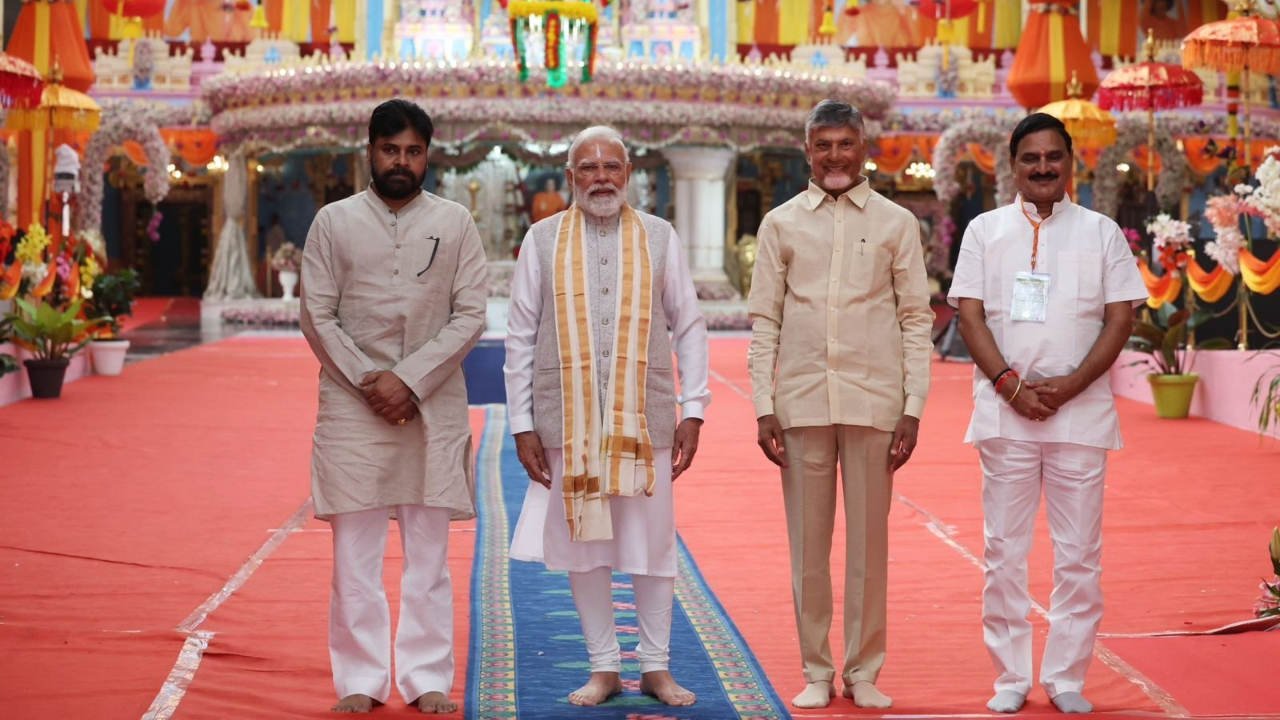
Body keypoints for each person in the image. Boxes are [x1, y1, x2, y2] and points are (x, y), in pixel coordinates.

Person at [948, 113, 1148, 715]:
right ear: (1013, 165)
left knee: (1079, 553)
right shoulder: (985, 231)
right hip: (1005, 414)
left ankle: (1065, 677)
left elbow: (1121, 318)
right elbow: (970, 316)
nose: (1041, 167)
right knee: (1004, 549)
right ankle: (1010, 675)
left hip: (1080, 416)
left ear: (1069, 163)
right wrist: (1012, 386)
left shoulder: (1102, 232)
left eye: (1052, 157)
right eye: (1030, 158)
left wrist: (1069, 387)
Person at [504, 125, 711, 708]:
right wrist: (522, 424)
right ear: (570, 177)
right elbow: (520, 336)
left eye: (612, 167)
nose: (601, 178)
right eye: (588, 168)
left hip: (644, 419)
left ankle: (656, 668)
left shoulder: (659, 237)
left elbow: (689, 328)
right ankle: (603, 667)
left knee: (651, 544)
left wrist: (693, 410)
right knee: (584, 545)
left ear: (629, 175)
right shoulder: (541, 240)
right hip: (565, 419)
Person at [299, 98, 488, 715]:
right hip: (353, 408)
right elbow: (316, 315)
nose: (400, 162)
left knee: (428, 556)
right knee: (354, 555)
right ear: (370, 152)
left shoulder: (456, 221)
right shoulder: (333, 222)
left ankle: (426, 675)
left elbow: (470, 315)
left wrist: (406, 381)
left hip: (431, 405)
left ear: (427, 154)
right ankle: (360, 679)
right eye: (390, 150)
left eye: (412, 151)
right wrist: (369, 380)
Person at [747, 99, 934, 710]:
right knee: (808, 548)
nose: (834, 155)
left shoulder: (896, 224)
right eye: (822, 145)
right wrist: (762, 404)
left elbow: (914, 318)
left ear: (863, 148)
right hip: (799, 403)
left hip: (875, 402)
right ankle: (816, 668)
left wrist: (912, 406)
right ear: (807, 151)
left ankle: (864, 669)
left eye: (844, 144)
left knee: (868, 549)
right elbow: (764, 323)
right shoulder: (780, 224)